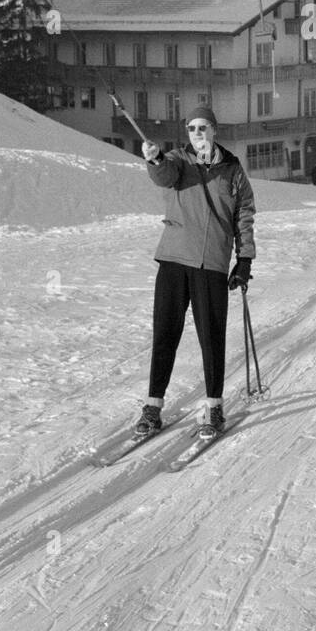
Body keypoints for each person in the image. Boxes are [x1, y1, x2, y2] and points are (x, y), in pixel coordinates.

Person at [134, 110, 256, 441]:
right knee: (165, 333)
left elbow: (244, 213)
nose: (197, 132)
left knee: (211, 338)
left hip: (212, 262)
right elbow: (164, 175)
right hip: (174, 259)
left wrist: (244, 260)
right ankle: (152, 406)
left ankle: (214, 407)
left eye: (203, 127)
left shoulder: (231, 169)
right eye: (191, 128)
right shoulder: (177, 160)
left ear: (214, 130)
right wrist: (154, 158)